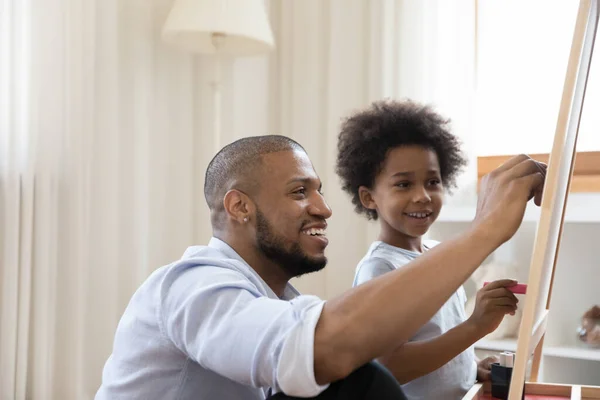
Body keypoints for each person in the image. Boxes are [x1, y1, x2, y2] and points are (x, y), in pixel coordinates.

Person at [95, 134, 545, 400]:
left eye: (321, 191)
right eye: (299, 192)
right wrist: (484, 232)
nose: (324, 209)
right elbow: (333, 351)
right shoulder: (190, 285)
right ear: (239, 207)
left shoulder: (278, 301)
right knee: (354, 380)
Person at [335, 99, 521, 400]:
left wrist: (471, 366)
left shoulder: (439, 256)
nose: (423, 196)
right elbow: (390, 365)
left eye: (432, 182)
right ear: (369, 198)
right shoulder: (379, 268)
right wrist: (476, 326)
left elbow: (439, 335)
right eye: (403, 185)